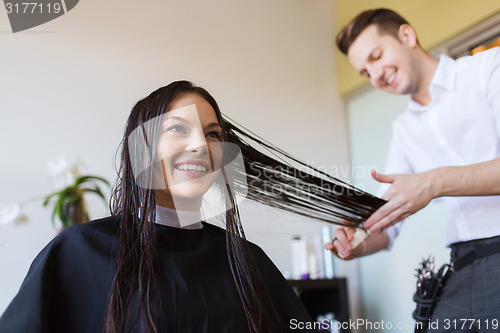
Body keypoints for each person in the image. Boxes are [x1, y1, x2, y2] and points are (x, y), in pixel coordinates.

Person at [0, 81, 326, 333]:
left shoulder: (248, 261)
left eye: (213, 135)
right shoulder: (78, 251)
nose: (201, 145)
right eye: (178, 128)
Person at [326, 8, 500, 332]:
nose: (375, 75)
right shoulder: (404, 130)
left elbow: (427, 186)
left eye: (376, 56)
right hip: (464, 266)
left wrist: (434, 183)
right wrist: (357, 242)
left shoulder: (488, 68)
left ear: (407, 36)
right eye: (365, 72)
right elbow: (389, 219)